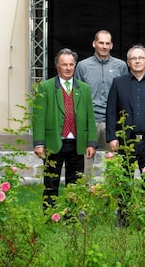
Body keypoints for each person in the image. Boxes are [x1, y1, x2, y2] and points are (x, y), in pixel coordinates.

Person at [32, 48, 97, 209]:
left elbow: (90, 116)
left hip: (77, 142)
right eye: (64, 65)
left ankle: (72, 215)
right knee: (51, 181)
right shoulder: (46, 87)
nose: (68, 68)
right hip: (54, 142)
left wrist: (91, 143)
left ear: (75, 66)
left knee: (75, 181)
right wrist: (39, 143)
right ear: (57, 66)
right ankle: (49, 215)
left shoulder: (84, 88)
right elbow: (38, 117)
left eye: (71, 64)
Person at [106, 44, 145, 192]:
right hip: (126, 141)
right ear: (128, 62)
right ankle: (124, 215)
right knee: (124, 182)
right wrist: (112, 137)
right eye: (134, 58)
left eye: (141, 58)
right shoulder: (118, 83)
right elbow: (111, 112)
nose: (137, 61)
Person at [74, 30, 128, 180]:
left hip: (112, 123)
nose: (104, 46)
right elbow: (77, 97)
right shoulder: (83, 66)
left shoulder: (121, 66)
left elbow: (124, 95)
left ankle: (114, 200)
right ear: (94, 44)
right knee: (85, 167)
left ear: (111, 45)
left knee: (115, 165)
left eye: (107, 43)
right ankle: (84, 199)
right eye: (101, 43)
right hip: (89, 122)